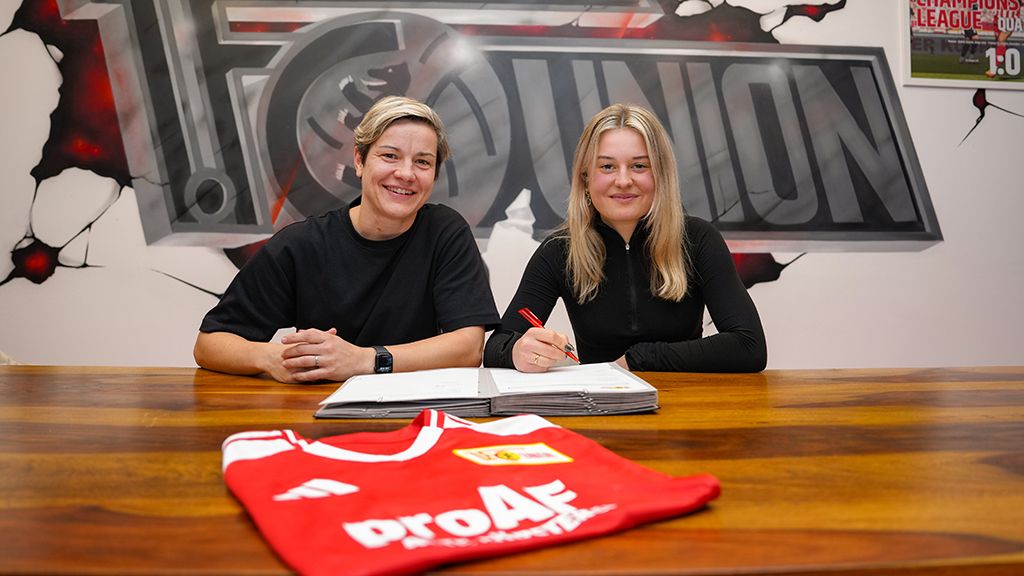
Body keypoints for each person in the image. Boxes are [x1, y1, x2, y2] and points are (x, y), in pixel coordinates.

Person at [195, 96, 500, 383]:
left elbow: (468, 348)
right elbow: (209, 345)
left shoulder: (445, 232)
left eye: (422, 162)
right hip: (318, 415)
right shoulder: (303, 244)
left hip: (416, 414)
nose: (406, 173)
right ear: (359, 160)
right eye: (390, 156)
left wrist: (364, 360)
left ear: (434, 174)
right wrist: (273, 357)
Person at [484, 103, 766, 373]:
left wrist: (638, 359)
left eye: (639, 166)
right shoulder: (560, 250)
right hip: (600, 411)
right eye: (607, 167)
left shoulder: (698, 239)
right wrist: (519, 351)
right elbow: (495, 347)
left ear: (661, 175)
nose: (623, 180)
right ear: (585, 178)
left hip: (685, 406)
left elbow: (749, 345)